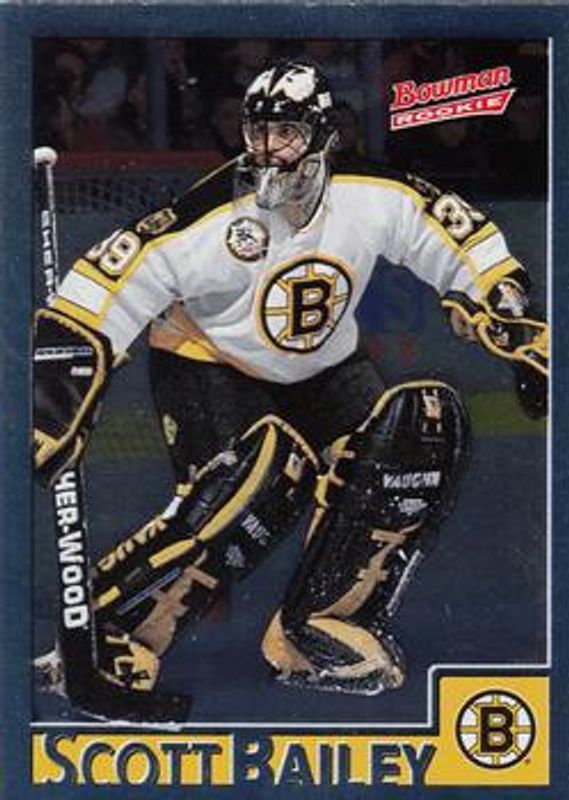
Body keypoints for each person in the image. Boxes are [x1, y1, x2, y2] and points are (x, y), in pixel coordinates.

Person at [33, 60, 548, 718]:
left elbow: (459, 234)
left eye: (286, 133)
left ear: (324, 135)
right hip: (209, 364)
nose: (267, 149)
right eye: (257, 132)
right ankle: (109, 634)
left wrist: (503, 304)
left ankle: (319, 628)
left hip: (325, 369)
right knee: (248, 489)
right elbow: (105, 282)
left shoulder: (373, 195)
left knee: (422, 428)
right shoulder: (209, 216)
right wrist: (60, 389)